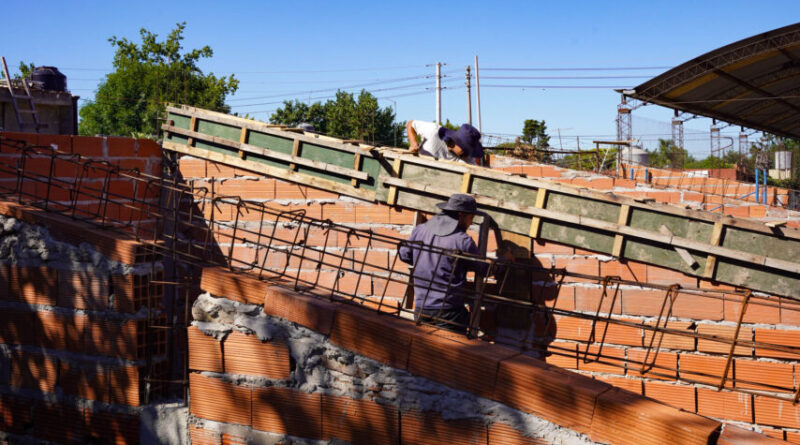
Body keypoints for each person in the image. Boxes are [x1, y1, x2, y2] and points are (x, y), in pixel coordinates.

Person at [398, 193, 510, 333]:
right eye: (471, 218)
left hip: (422, 308)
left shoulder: (420, 230)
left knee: (423, 345)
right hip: (449, 312)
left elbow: (404, 255)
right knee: (450, 346)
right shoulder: (462, 241)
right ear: (461, 215)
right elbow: (484, 269)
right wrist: (505, 260)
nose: (470, 223)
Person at [406, 120, 484, 164]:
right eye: (466, 149)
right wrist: (413, 143)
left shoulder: (467, 158)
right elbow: (411, 124)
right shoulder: (433, 131)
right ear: (457, 141)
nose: (468, 154)